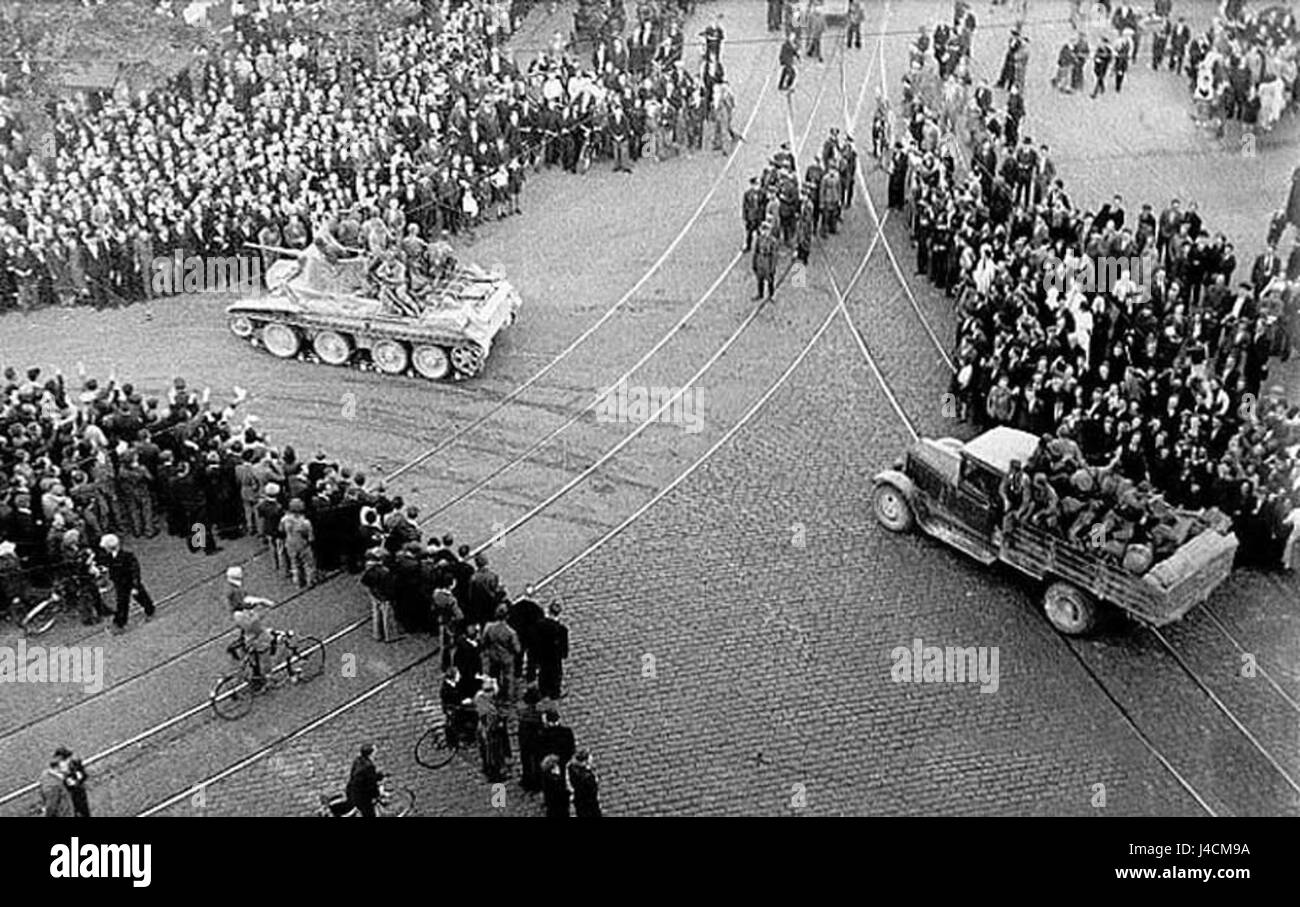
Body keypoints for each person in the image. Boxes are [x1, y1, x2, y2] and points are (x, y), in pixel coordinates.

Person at [96, 533, 155, 633]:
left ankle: (149, 610)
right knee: (122, 603)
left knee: (141, 596)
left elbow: (135, 571)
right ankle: (120, 622)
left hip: (130, 582)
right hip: (119, 583)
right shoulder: (109, 556)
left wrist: (135, 585)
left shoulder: (127, 555)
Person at [534, 600, 570, 700]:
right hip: (554, 660)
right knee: (555, 678)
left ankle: (543, 693)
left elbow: (535, 642)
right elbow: (564, 651)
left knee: (543, 675)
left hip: (543, 657)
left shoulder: (540, 625)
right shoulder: (562, 630)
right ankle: (554, 696)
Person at [517, 685, 545, 793]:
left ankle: (527, 780)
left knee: (526, 761)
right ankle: (537, 783)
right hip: (534, 740)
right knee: (536, 761)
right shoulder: (537, 715)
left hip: (525, 741)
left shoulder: (523, 713)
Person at [345, 743, 384, 818]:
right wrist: (378, 794)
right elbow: (370, 785)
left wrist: (377, 776)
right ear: (371, 753)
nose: (376, 754)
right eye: (375, 752)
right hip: (362, 797)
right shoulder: (369, 766)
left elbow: (363, 777)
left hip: (352, 792)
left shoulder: (358, 760)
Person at [54, 747, 90, 818]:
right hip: (68, 797)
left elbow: (84, 775)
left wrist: (78, 779)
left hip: (79, 793)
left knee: (84, 812)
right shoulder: (59, 770)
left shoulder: (76, 763)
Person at [568, 750, 601, 817]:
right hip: (589, 806)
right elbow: (593, 793)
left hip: (580, 803)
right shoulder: (588, 777)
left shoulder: (572, 768)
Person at [752, 219, 778, 302]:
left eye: (766, 230)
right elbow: (755, 252)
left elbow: (774, 256)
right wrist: (754, 263)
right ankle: (760, 294)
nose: (764, 232)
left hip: (768, 261)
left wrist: (772, 268)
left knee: (770, 280)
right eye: (763, 230)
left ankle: (771, 294)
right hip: (760, 260)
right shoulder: (759, 239)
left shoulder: (773, 241)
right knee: (760, 279)